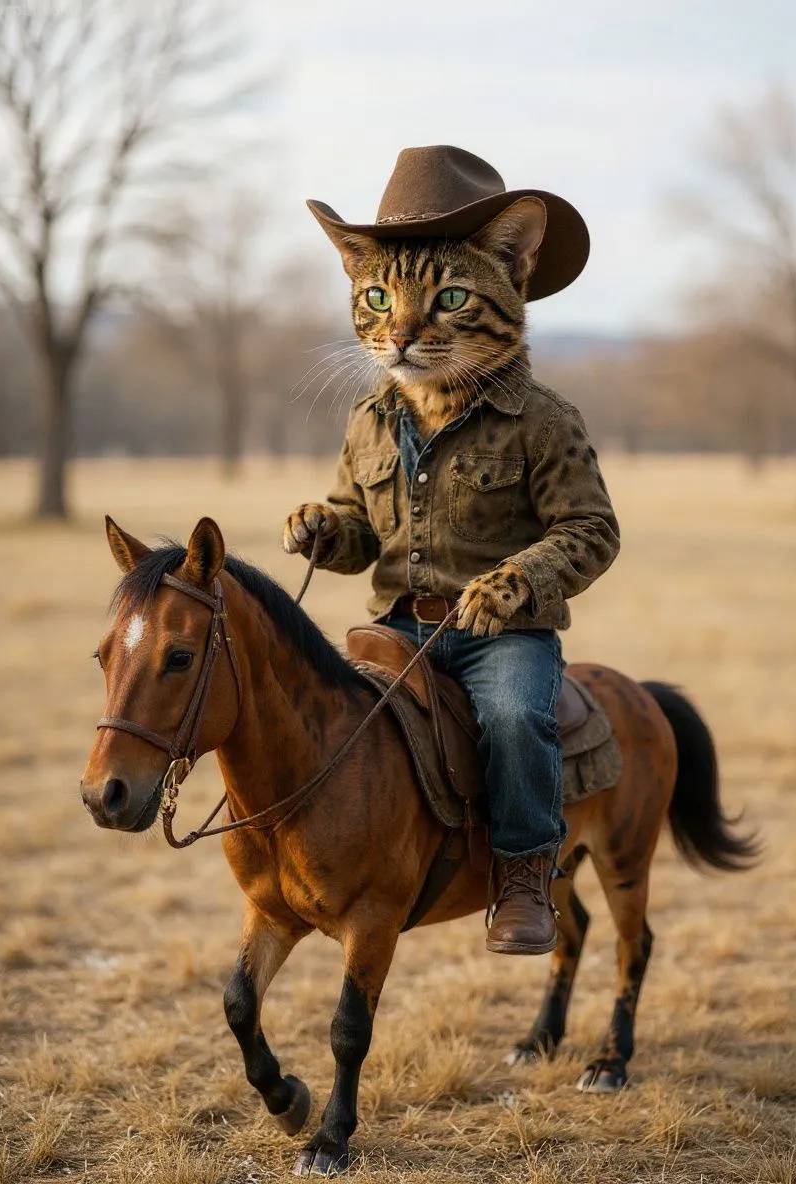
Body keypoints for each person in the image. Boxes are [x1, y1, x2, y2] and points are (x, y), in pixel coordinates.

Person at [283, 146, 619, 955]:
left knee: (511, 717)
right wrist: (327, 532)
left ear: (512, 273)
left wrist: (519, 580)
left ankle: (523, 881)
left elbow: (592, 532)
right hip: (397, 628)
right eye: (377, 302)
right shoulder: (367, 419)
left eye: (448, 303)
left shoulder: (543, 418)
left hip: (504, 639)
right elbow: (357, 533)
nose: (402, 334)